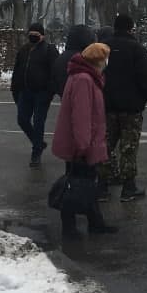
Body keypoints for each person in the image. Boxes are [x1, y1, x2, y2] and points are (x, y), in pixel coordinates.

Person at [52, 42, 118, 238]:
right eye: (104, 58)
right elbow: (81, 116)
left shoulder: (86, 77)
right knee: (77, 185)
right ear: (98, 61)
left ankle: (94, 222)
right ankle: (70, 228)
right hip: (81, 145)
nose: (107, 62)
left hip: (85, 142)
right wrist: (83, 146)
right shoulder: (84, 79)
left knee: (86, 184)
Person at [100, 14, 147, 202]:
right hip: (131, 109)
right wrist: (142, 98)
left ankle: (102, 184)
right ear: (131, 28)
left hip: (107, 106)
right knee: (129, 147)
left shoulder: (103, 48)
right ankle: (128, 187)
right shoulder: (137, 49)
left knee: (106, 145)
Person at [10, 22, 58, 168]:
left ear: (42, 36)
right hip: (25, 91)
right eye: (30, 34)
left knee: (38, 123)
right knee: (22, 120)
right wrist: (15, 89)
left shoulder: (50, 50)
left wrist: (49, 91)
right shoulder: (24, 50)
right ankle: (39, 142)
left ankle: (36, 153)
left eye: (36, 35)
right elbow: (17, 70)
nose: (32, 37)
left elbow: (55, 72)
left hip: (42, 93)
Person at [52, 24, 97, 101]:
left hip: (64, 97)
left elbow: (55, 79)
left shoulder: (61, 58)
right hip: (84, 98)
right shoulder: (87, 57)